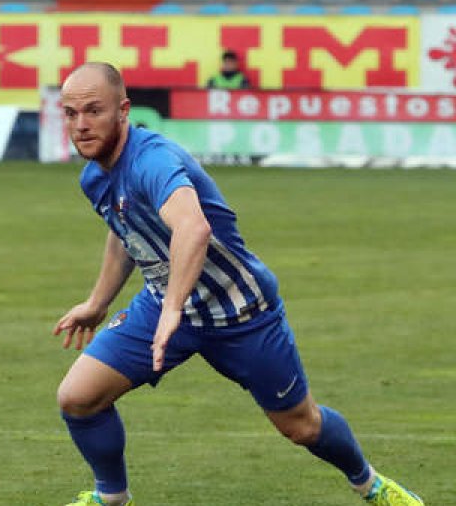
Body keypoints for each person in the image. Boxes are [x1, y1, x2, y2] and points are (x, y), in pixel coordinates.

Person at [51, 62, 425, 506]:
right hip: (165, 308)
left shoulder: (152, 160)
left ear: (124, 111)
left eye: (93, 111)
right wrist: (98, 302)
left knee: (301, 426)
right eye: (71, 113)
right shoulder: (95, 176)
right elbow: (125, 228)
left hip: (240, 312)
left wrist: (173, 307)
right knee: (78, 397)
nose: (81, 125)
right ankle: (111, 497)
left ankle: (371, 484)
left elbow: (193, 228)